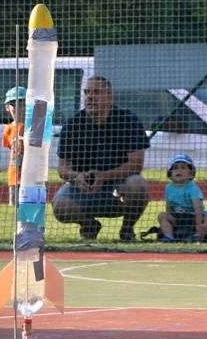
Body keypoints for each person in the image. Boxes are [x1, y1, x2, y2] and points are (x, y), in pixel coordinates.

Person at [51, 74, 149, 241]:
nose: (90, 97)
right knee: (60, 206)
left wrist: (103, 176)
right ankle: (89, 225)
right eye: (87, 92)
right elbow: (62, 168)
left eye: (96, 92)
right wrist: (77, 177)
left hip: (117, 188)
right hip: (84, 188)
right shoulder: (73, 124)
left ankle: (127, 230)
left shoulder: (128, 121)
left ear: (110, 97)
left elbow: (136, 165)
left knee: (137, 185)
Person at [156, 153, 207, 242]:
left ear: (190, 174)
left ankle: (197, 236)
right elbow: (169, 207)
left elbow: (198, 208)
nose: (179, 170)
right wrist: (169, 219)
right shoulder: (168, 187)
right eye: (175, 168)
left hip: (194, 217)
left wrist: (198, 224)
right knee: (162, 216)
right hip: (178, 218)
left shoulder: (193, 188)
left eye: (183, 168)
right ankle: (169, 237)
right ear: (170, 174)